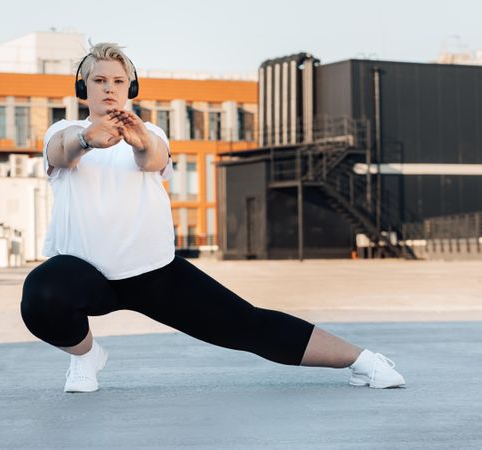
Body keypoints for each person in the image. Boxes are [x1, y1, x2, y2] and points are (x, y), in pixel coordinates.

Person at [20, 43, 406, 393]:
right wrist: (87, 139)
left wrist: (140, 141)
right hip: (83, 275)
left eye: (118, 81)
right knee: (42, 293)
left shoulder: (150, 131)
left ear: (130, 88)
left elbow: (153, 159)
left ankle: (364, 361)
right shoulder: (65, 130)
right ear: (83, 87)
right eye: (99, 80)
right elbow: (60, 153)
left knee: (249, 326)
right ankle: (86, 356)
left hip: (153, 273)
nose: (109, 88)